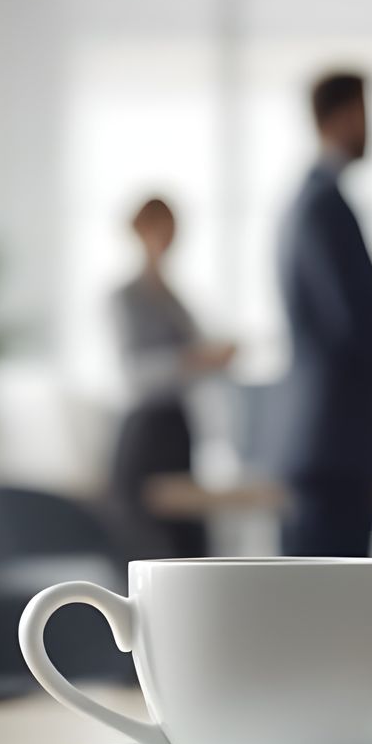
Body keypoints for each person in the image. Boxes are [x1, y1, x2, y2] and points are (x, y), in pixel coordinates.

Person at [274, 70, 372, 557]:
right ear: (341, 116)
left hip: (327, 441)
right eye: (365, 113)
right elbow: (350, 322)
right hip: (333, 442)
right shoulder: (323, 205)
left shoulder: (312, 200)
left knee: (326, 607)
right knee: (332, 611)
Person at [108, 197, 234, 560]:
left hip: (178, 427)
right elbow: (134, 372)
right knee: (146, 544)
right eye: (160, 229)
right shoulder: (125, 297)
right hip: (145, 432)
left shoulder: (175, 297)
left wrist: (214, 358)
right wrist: (193, 359)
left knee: (189, 542)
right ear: (141, 231)